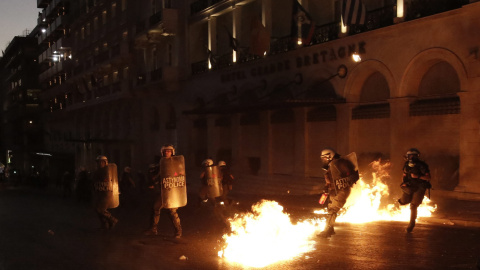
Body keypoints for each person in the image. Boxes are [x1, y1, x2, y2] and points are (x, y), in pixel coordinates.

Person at [318, 148, 359, 238]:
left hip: (341, 190)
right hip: (334, 190)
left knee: (333, 210)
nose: (323, 160)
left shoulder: (340, 163)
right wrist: (326, 188)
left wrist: (343, 182)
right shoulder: (331, 166)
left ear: (330, 156)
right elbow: (329, 180)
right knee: (330, 209)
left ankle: (327, 230)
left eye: (325, 158)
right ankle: (330, 229)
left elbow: (349, 175)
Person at [144, 145, 183, 238]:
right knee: (156, 208)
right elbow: (154, 176)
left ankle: (178, 231)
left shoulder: (176, 163)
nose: (167, 153)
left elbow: (180, 175)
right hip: (163, 190)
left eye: (169, 151)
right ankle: (153, 229)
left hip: (173, 191)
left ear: (172, 152)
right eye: (165, 151)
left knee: (172, 211)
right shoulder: (159, 164)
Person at [398, 148, 431, 233]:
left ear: (417, 156)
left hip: (420, 187)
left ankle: (411, 224)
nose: (411, 157)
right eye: (410, 155)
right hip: (410, 186)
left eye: (413, 155)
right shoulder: (406, 164)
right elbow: (404, 174)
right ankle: (408, 199)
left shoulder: (422, 165)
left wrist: (418, 177)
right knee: (403, 201)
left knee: (413, 206)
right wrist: (404, 183)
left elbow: (428, 177)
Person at [92, 155, 119, 230]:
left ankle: (112, 220)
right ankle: (105, 224)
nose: (99, 164)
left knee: (100, 209)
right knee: (97, 209)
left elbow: (104, 179)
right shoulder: (98, 171)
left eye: (100, 162)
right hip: (99, 192)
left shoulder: (106, 170)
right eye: (98, 162)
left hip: (106, 193)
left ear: (104, 162)